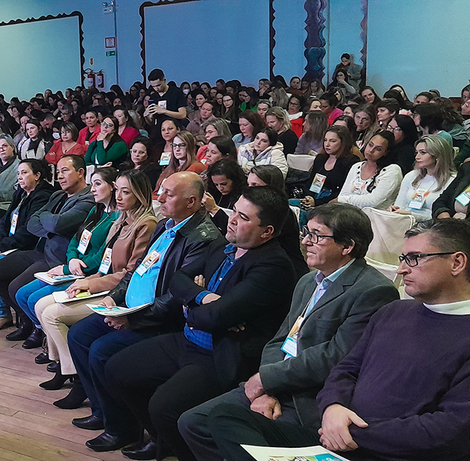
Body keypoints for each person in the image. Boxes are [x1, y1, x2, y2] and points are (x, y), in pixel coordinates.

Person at [211, 219, 470, 460]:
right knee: (226, 417)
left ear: (457, 263)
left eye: (414, 259)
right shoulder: (395, 312)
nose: (401, 269)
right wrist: (333, 407)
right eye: (403, 258)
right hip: (335, 435)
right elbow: (346, 369)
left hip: (384, 451)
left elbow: (449, 431)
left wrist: (350, 432)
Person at [179, 203, 399, 461]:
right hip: (276, 382)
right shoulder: (308, 280)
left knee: (235, 428)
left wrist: (268, 380)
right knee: (193, 423)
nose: (305, 241)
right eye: (306, 232)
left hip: (308, 396)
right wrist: (267, 387)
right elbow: (279, 339)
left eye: (316, 236)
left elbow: (334, 358)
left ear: (347, 246)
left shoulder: (373, 291)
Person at [95, 187, 296, 460]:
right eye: (234, 211)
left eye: (244, 217)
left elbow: (214, 318)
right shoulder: (223, 245)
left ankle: (185, 452)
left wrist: (192, 305)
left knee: (163, 406)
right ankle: (162, 440)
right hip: (189, 338)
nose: (233, 219)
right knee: (117, 369)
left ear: (267, 232)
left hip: (221, 352)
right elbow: (178, 279)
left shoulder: (273, 266)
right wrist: (202, 297)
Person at [61, 172, 224, 435]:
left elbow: (178, 295)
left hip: (158, 320)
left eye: (169, 194)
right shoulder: (165, 225)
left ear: (192, 202)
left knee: (102, 350)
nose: (159, 198)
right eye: (161, 191)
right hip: (130, 307)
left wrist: (133, 318)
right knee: (80, 334)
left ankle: (122, 427)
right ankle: (102, 411)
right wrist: (113, 297)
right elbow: (136, 272)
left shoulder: (202, 238)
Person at [33, 169, 158, 390]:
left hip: (118, 291)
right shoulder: (120, 220)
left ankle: (76, 377)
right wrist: (85, 281)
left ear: (139, 194)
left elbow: (129, 274)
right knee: (41, 304)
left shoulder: (146, 224)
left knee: (52, 314)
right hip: (103, 280)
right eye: (117, 190)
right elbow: (104, 264)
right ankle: (61, 363)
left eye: (125, 192)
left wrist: (90, 283)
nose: (118, 197)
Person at [0, 155, 96, 342]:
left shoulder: (87, 198)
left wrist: (49, 222)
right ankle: (27, 320)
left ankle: (37, 328)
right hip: (41, 250)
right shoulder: (57, 195)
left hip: (57, 258)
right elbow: (32, 224)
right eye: (58, 172)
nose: (60, 176)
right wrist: (50, 226)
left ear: (81, 172)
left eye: (65, 171)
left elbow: (58, 224)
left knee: (16, 287)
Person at [12, 168, 120, 349]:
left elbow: (102, 256)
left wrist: (69, 268)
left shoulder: (116, 218)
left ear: (113, 187)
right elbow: (75, 241)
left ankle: (52, 342)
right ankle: (43, 332)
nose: (92, 189)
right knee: (22, 294)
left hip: (88, 273)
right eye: (92, 184)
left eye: (98, 184)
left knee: (33, 299)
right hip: (72, 267)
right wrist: (71, 259)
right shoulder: (96, 209)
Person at [0, 159, 55, 331]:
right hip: (8, 242)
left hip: (26, 245)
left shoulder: (43, 196)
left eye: (24, 173)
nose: (20, 177)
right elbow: (5, 221)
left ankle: (3, 314)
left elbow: (28, 232)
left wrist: (1, 247)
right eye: (18, 173)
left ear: (38, 176)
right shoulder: (20, 193)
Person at [391, 134, 457, 222]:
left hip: (433, 228)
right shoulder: (411, 175)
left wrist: (412, 215)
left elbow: (444, 217)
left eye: (423, 152)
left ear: (437, 155)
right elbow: (400, 205)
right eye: (416, 152)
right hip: (404, 222)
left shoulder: (452, 180)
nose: (417, 157)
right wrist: (395, 210)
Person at [298, 127, 360, 209]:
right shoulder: (320, 158)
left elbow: (343, 191)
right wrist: (309, 198)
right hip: (314, 198)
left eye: (332, 141)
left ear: (343, 142)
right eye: (325, 140)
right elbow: (311, 183)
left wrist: (317, 202)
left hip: (333, 204)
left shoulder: (351, 161)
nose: (327, 144)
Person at [337, 132, 402, 210]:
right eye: (370, 145)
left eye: (378, 149)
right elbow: (344, 194)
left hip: (375, 218)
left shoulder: (392, 170)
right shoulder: (356, 166)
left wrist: (341, 200)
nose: (371, 150)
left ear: (386, 152)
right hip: (350, 214)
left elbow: (373, 201)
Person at [155, 131, 206, 197]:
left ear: (190, 147)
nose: (177, 149)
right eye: (174, 145)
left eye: (182, 145)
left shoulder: (196, 167)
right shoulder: (169, 168)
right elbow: (157, 191)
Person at [203, 159, 247, 234]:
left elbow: (236, 228)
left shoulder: (244, 196)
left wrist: (214, 209)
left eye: (224, 184)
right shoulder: (213, 191)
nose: (220, 188)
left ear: (234, 180)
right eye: (216, 184)